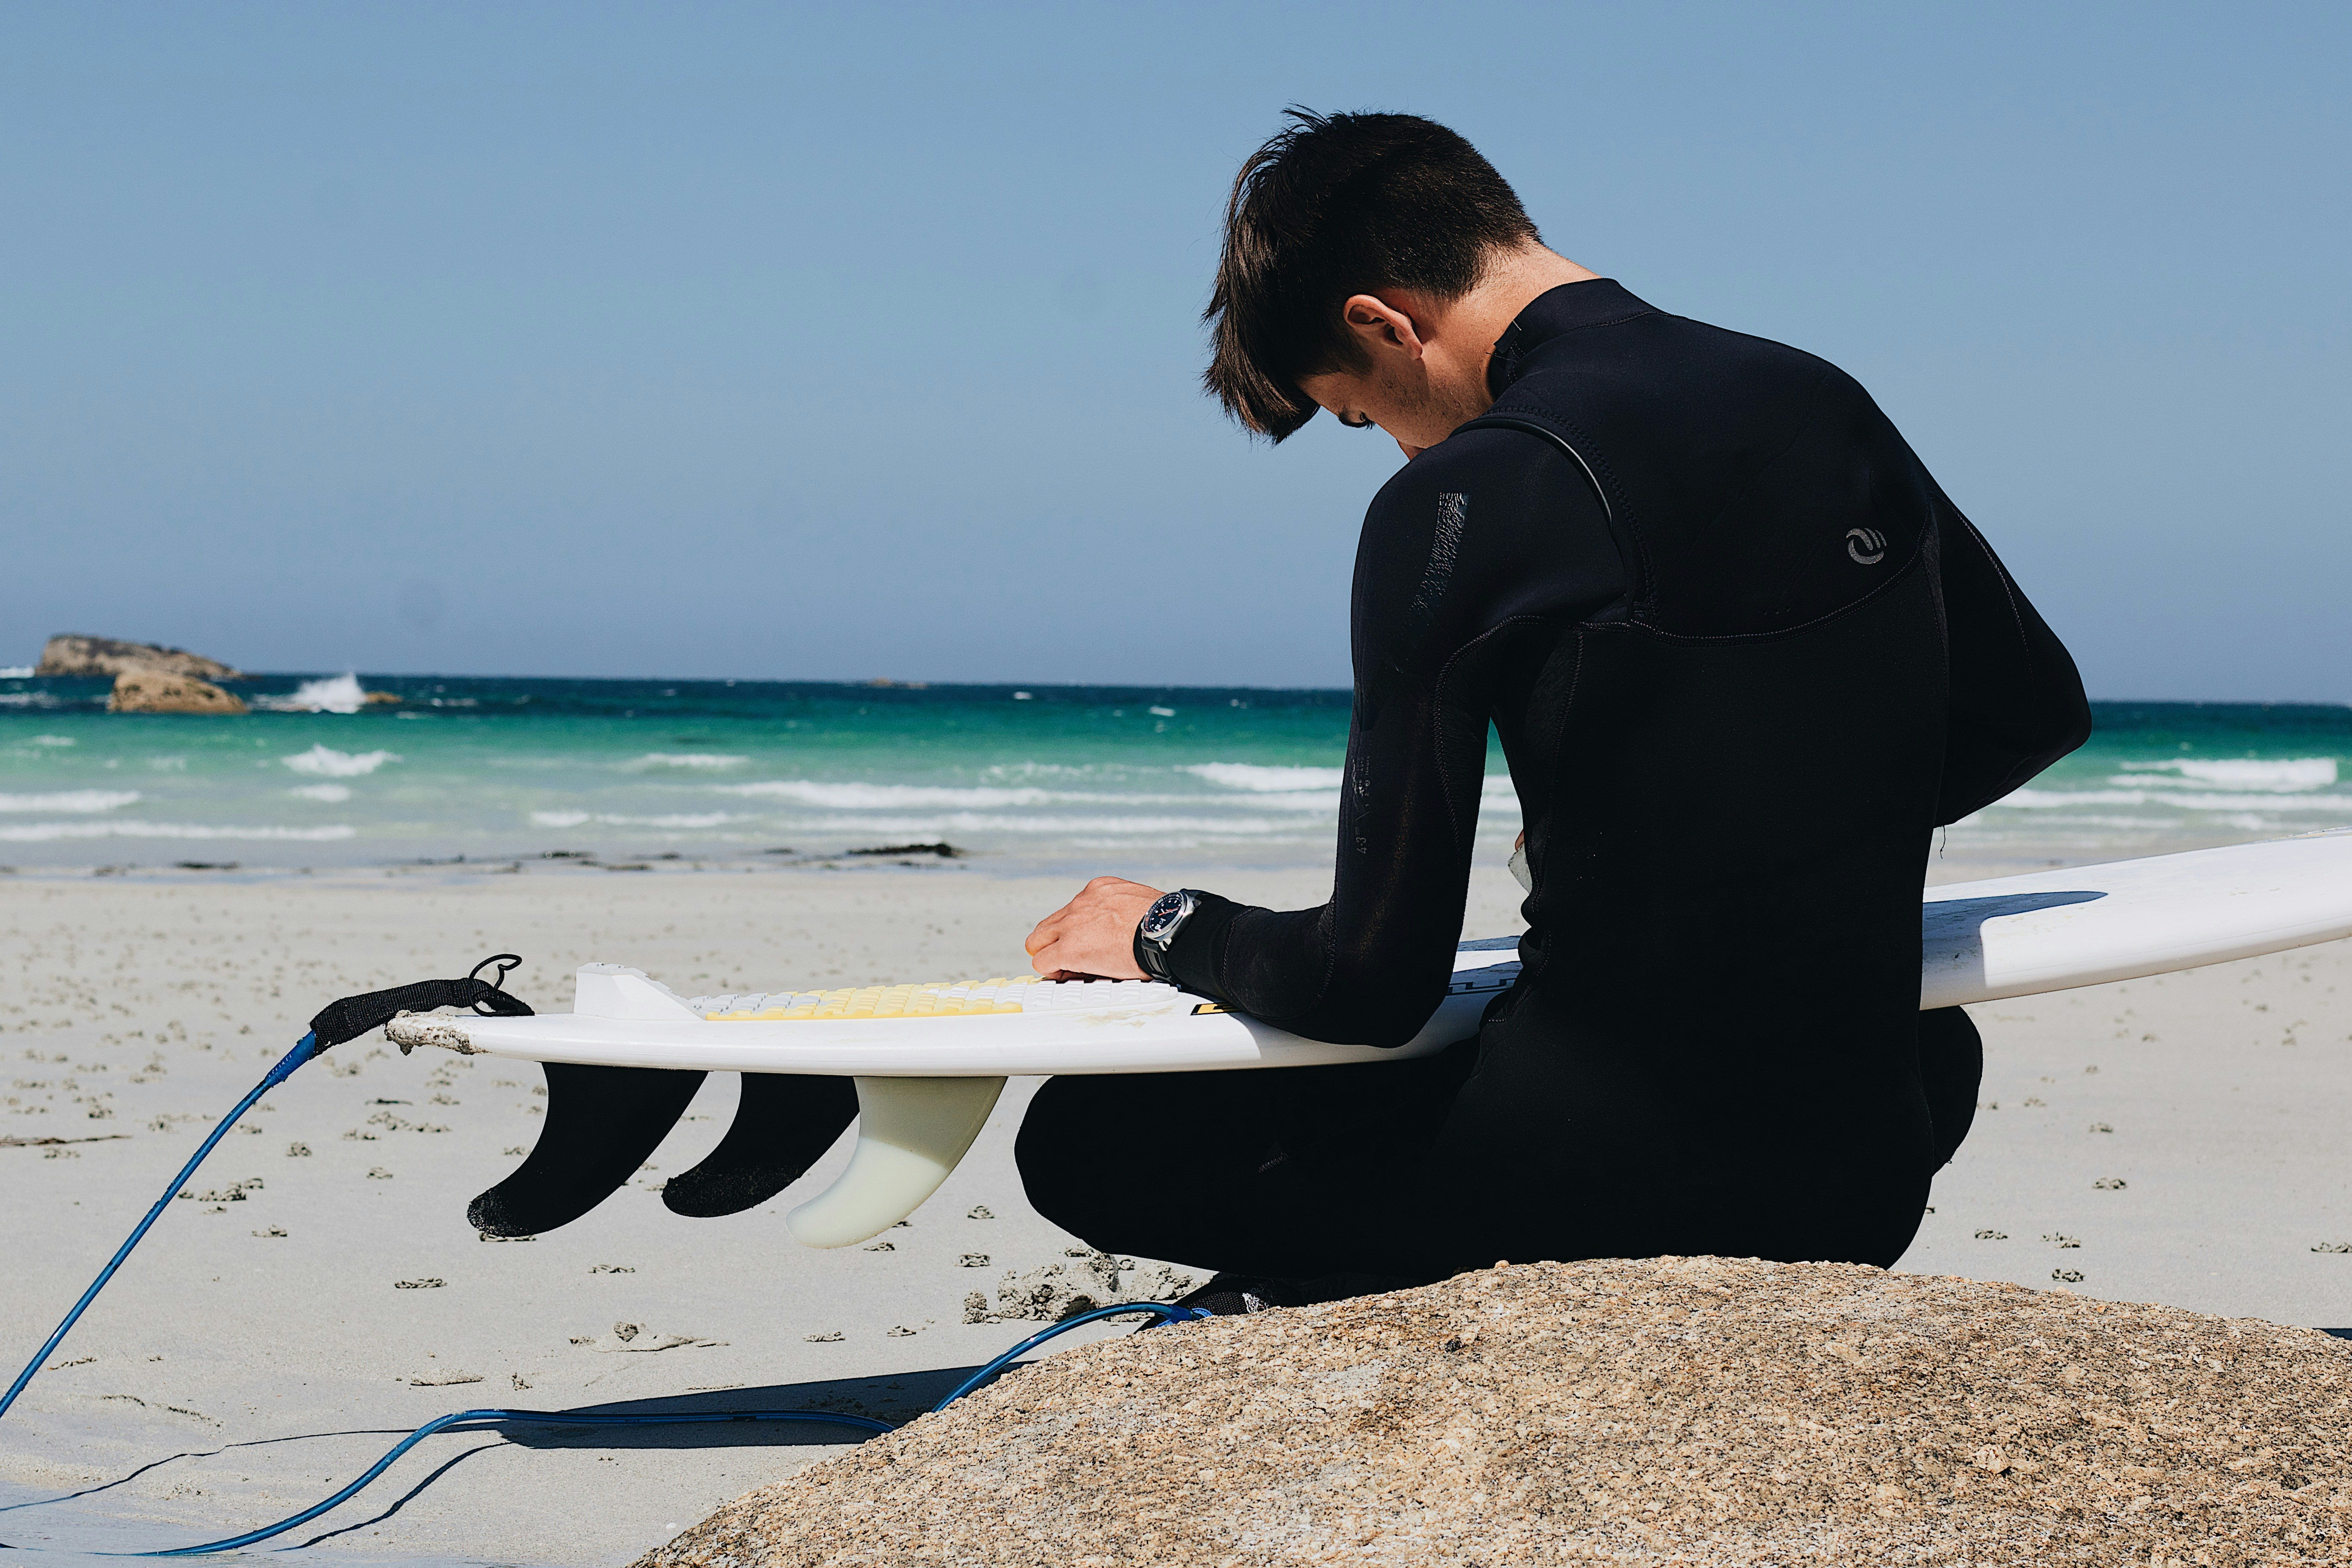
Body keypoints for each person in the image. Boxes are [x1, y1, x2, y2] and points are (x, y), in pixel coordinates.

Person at [1014, 110, 2091, 1313]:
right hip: (1868, 1171)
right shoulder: (1814, 393)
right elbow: (2032, 710)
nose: (1392, 454)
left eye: (1365, 415)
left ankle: (1376, 1287)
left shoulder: (1468, 495)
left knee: (1083, 1139)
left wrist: (1169, 927)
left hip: (1594, 1186)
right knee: (1927, 1036)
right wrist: (1755, 839)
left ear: (1383, 324)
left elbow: (1371, 985)